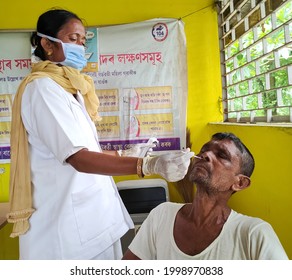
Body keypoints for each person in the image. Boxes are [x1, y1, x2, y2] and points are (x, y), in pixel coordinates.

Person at [7, 8, 194, 260]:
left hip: (93, 219)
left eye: (83, 41)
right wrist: (147, 165)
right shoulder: (43, 88)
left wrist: (121, 153)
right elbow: (78, 158)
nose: (81, 47)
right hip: (66, 230)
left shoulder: (71, 87)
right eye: (73, 39)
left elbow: (84, 147)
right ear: (47, 44)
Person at [123, 132, 289, 260]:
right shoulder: (162, 214)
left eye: (222, 155)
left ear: (239, 183)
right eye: (204, 150)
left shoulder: (253, 233)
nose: (206, 155)